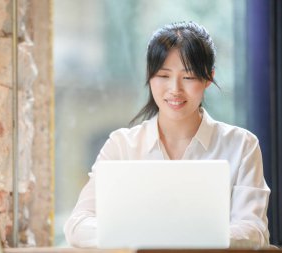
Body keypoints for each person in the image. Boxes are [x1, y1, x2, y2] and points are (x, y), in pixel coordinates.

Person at [64, 21, 270, 248]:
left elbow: (253, 230)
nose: (175, 89)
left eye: (188, 77)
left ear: (208, 78)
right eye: (163, 76)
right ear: (149, 76)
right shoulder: (122, 145)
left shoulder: (241, 145)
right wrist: (146, 236)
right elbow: (77, 225)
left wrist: (174, 239)